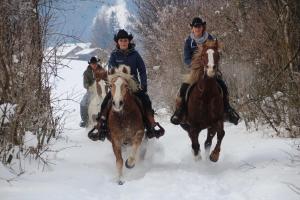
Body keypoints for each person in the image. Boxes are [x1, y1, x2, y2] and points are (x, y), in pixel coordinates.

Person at [93, 29, 165, 141]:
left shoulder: (135, 54)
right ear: (117, 42)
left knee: (145, 100)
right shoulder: (114, 55)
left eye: (125, 40)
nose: (123, 42)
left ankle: (151, 124)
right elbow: (111, 70)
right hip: (118, 85)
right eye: (121, 40)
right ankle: (101, 125)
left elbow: (142, 70)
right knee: (106, 102)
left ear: (129, 41)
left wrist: (143, 84)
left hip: (133, 84)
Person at [170, 17, 240, 125]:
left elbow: (215, 52)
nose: (197, 28)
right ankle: (180, 111)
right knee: (184, 87)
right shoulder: (188, 41)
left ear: (202, 27)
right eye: (195, 27)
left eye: (199, 26)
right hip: (195, 70)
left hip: (210, 68)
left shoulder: (210, 38)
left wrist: (212, 64)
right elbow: (186, 58)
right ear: (192, 28)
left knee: (223, 85)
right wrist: (194, 64)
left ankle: (228, 109)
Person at [79, 56, 101, 127]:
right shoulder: (86, 73)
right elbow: (85, 84)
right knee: (83, 103)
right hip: (91, 91)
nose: (94, 65)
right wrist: (89, 87)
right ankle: (84, 120)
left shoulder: (102, 70)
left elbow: (106, 79)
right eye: (93, 64)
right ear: (90, 64)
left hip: (102, 90)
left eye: (95, 63)